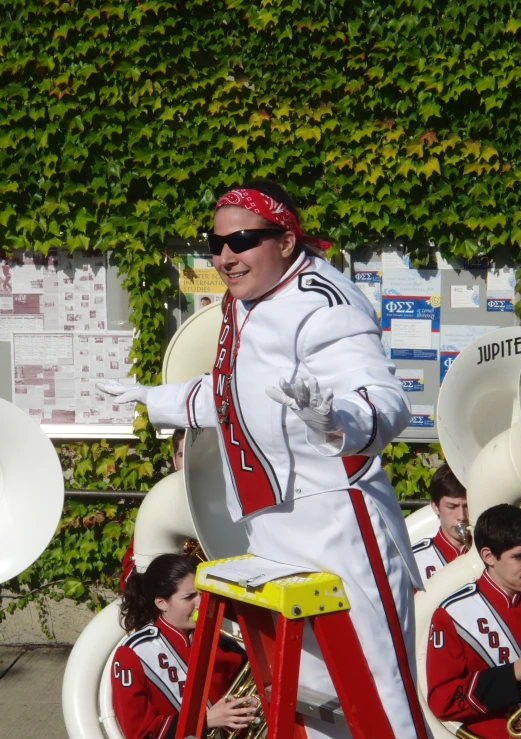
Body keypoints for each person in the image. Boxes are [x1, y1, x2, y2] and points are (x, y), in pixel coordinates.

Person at [99, 179, 427, 738]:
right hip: (269, 526)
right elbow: (231, 394)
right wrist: (157, 399)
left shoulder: (326, 300)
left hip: (336, 523)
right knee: (312, 693)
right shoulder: (243, 302)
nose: (226, 255)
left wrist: (336, 422)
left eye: (244, 239)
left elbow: (384, 402)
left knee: (377, 692)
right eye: (215, 243)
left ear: (286, 239)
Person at [426, 504, 521, 739]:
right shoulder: (453, 614)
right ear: (488, 556)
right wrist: (513, 673)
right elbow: (442, 701)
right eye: (519, 556)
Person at [112, 553, 256, 739]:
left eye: (203, 594)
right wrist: (205, 720)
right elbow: (140, 733)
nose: (201, 603)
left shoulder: (220, 640)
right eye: (189, 597)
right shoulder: (133, 654)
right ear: (161, 602)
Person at [119, 429, 186, 592]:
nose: (190, 462)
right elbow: (129, 581)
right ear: (175, 461)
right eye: (183, 455)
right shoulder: (160, 504)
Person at [412, 462, 469, 583]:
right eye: (452, 507)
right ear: (435, 507)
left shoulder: (493, 553)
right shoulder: (415, 559)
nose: (462, 516)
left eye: (467, 506)